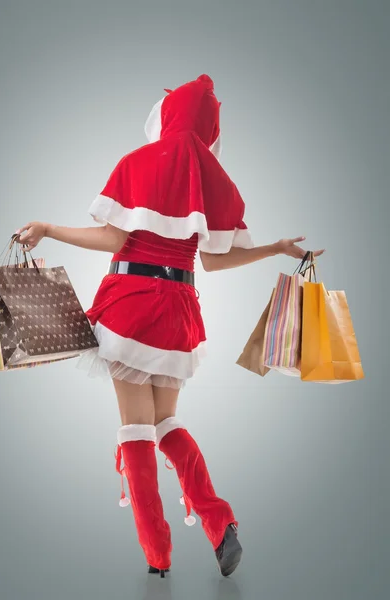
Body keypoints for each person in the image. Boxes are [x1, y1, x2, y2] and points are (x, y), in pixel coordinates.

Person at [16, 74, 324, 578]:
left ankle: (157, 557)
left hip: (132, 304)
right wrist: (275, 248)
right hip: (180, 312)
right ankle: (219, 522)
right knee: (166, 426)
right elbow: (218, 263)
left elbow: (115, 238)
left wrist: (49, 228)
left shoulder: (136, 162)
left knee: (137, 431)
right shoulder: (216, 179)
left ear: (167, 115)